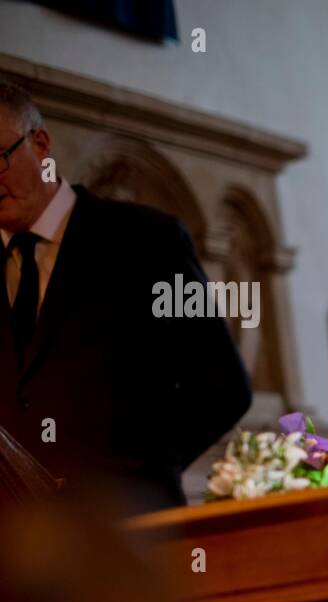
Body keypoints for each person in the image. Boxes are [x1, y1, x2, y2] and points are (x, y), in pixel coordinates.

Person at [0, 79, 250, 515]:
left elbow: (221, 386)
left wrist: (136, 474)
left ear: (40, 145)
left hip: (132, 537)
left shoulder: (147, 241)